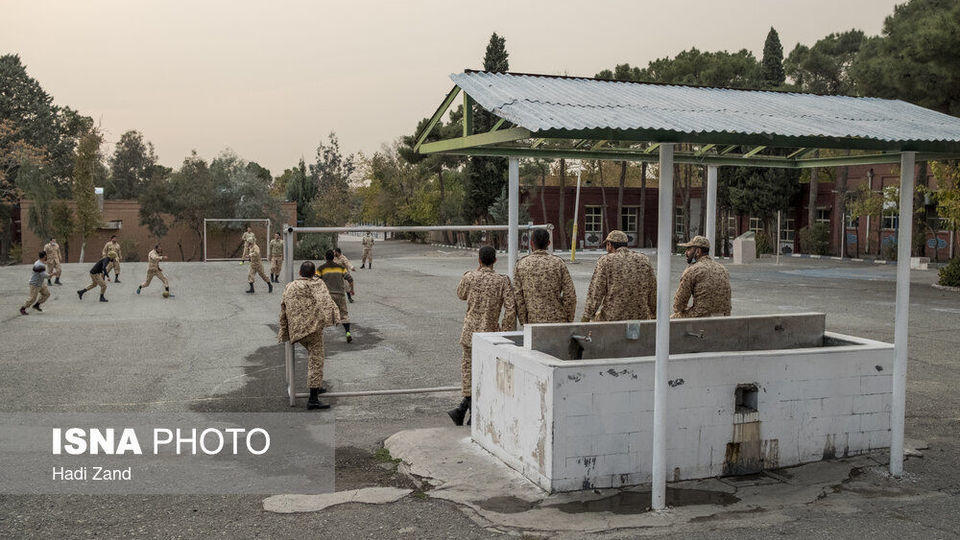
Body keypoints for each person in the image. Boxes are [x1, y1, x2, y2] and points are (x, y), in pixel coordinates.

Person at [451, 246, 517, 426]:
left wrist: (475, 271)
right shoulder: (502, 281)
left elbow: (461, 294)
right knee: (487, 372)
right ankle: (471, 412)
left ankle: (465, 410)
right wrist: (505, 332)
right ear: (495, 260)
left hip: (470, 332)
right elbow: (510, 309)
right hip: (490, 334)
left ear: (479, 260)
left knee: (468, 370)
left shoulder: (470, 277)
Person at [279, 261, 342, 410]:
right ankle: (313, 398)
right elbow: (327, 302)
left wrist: (284, 330)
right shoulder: (317, 284)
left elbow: (283, 308)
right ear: (314, 274)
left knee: (313, 356)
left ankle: (316, 385)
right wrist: (335, 318)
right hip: (312, 330)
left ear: (299, 273)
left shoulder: (290, 286)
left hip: (296, 330)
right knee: (316, 360)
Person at [582, 230, 656, 322]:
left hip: (612, 319)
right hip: (640, 318)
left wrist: (586, 317)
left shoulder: (605, 261)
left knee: (596, 319)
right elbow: (653, 291)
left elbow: (596, 293)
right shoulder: (644, 260)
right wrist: (654, 315)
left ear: (609, 245)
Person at [513, 228, 576, 324]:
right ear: (548, 243)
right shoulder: (558, 263)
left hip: (533, 321)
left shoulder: (521, 264)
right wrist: (568, 318)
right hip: (557, 319)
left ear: (531, 243)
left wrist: (524, 321)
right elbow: (570, 294)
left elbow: (518, 296)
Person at [672, 235, 732, 319]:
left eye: (688, 249)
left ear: (698, 251)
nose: (686, 253)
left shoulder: (692, 270)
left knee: (668, 321)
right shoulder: (722, 268)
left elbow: (678, 306)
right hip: (725, 318)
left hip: (700, 318)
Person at [316, 250, 354, 343]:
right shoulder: (340, 268)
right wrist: (351, 289)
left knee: (322, 314)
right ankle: (348, 332)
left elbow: (315, 280)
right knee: (344, 314)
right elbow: (350, 279)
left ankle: (318, 336)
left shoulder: (321, 268)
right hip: (340, 295)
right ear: (334, 257)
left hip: (327, 296)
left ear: (325, 257)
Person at [20, 251, 50, 315]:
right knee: (32, 299)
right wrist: (52, 274)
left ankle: (36, 305)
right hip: (35, 284)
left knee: (46, 294)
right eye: (46, 256)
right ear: (45, 256)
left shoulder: (40, 262)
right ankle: (23, 308)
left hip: (40, 283)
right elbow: (44, 275)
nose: (47, 257)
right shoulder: (39, 265)